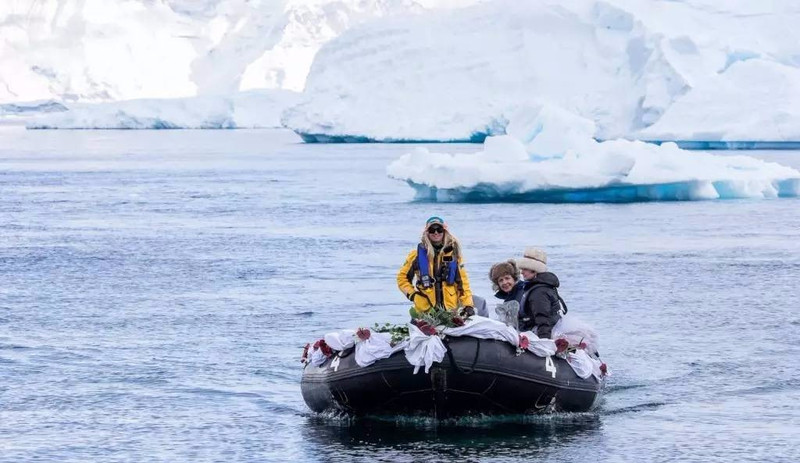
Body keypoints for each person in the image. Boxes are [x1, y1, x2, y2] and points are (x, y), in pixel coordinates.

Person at [397, 216, 474, 316]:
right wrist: (413, 295)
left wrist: (468, 305)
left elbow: (463, 283)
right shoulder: (415, 255)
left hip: (450, 311)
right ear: (427, 232)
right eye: (432, 230)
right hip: (425, 311)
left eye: (439, 229)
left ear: (444, 231)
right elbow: (402, 278)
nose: (436, 233)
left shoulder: (454, 255)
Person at [516, 247, 565, 339]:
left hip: (541, 333)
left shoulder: (539, 292)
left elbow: (543, 319)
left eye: (525, 269)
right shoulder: (543, 286)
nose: (522, 272)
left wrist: (544, 342)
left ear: (534, 270)